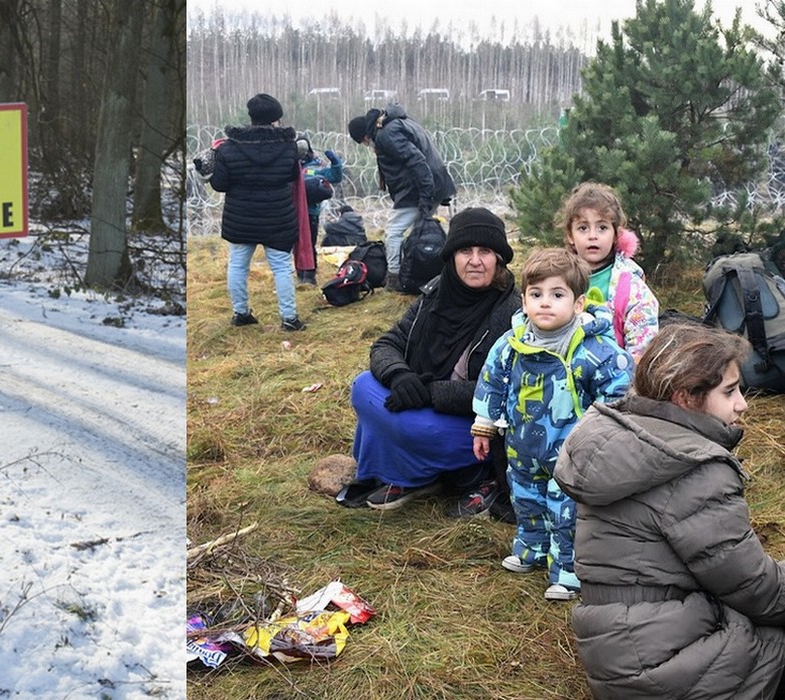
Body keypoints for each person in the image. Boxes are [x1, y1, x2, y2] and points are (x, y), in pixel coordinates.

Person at [554, 323, 785, 698]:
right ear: (685, 398)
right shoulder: (694, 466)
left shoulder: (627, 442)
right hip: (670, 671)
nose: (743, 403)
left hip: (618, 662)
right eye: (729, 391)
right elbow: (755, 589)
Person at [471, 248, 634, 602]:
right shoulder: (512, 343)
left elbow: (619, 390)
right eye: (536, 294)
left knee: (567, 510)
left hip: (572, 452)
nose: (545, 303)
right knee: (526, 498)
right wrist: (484, 423)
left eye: (557, 295)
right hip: (522, 446)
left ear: (578, 304)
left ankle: (568, 570)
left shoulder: (594, 349)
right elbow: (492, 380)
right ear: (524, 299)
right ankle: (530, 549)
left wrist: (604, 434)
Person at [336, 208, 520, 518]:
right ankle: (422, 474)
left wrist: (432, 393)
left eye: (485, 251)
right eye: (465, 250)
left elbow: (506, 389)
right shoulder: (437, 292)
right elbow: (388, 342)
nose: (475, 260)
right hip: (420, 404)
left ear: (498, 259)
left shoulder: (512, 311)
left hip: (476, 430)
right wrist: (400, 377)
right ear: (452, 256)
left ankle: (449, 474)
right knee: (363, 385)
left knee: (403, 425)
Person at [210, 93, 306, 331]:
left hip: (240, 217)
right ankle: (289, 318)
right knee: (282, 267)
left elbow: (219, 184)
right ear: (275, 118)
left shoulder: (229, 148)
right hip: (278, 216)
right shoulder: (288, 147)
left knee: (238, 265)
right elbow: (292, 176)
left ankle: (241, 313)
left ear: (251, 116)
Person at [347, 104, 456, 291]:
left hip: (417, 189)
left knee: (394, 232)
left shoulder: (386, 135)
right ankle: (430, 274)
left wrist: (425, 195)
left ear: (365, 135)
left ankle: (394, 278)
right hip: (432, 183)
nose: (367, 145)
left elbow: (417, 161)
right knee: (424, 234)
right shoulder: (401, 123)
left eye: (364, 142)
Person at [560, 182, 660, 360]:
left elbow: (643, 349)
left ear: (616, 234)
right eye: (583, 228)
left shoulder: (631, 288)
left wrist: (624, 382)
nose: (593, 235)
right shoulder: (557, 277)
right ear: (570, 235)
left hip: (613, 379)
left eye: (602, 227)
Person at [295, 137, 344, 285]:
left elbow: (335, 176)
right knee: (297, 244)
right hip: (294, 212)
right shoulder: (291, 166)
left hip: (310, 212)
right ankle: (300, 274)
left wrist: (335, 162)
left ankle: (309, 276)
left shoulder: (317, 167)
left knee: (309, 243)